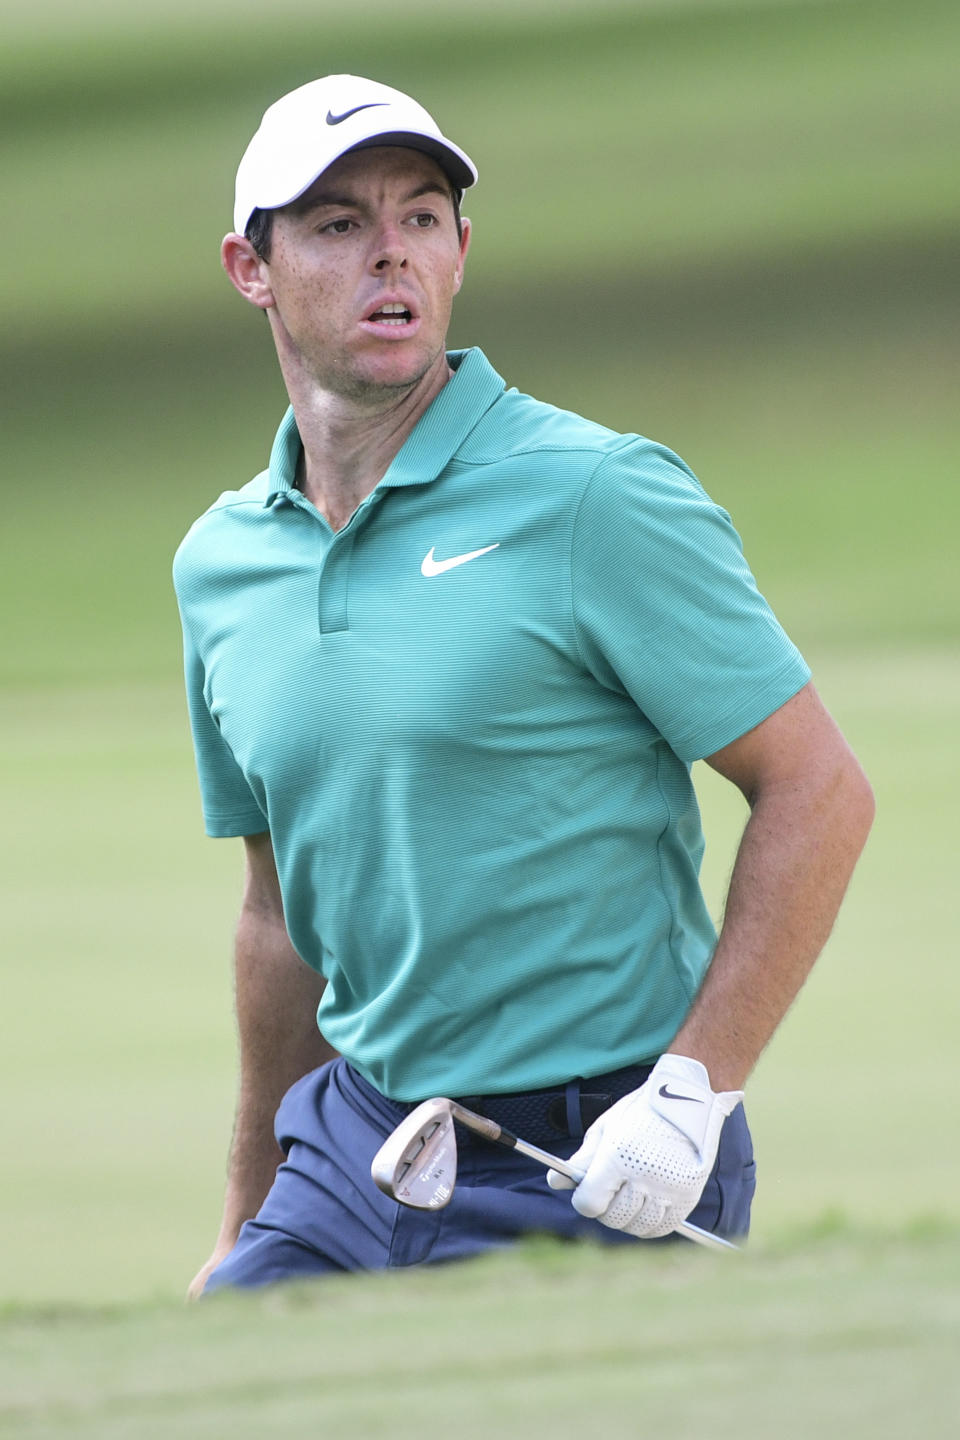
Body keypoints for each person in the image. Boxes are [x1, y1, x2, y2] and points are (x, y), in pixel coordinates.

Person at [174, 75, 874, 1298]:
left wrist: (691, 1097)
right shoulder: (223, 563)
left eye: (423, 216)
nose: (391, 253)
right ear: (251, 266)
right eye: (339, 225)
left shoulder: (594, 495)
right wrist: (243, 1214)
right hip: (354, 1147)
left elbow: (818, 788)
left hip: (596, 1148)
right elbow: (279, 920)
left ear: (458, 250)